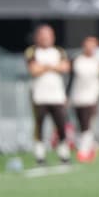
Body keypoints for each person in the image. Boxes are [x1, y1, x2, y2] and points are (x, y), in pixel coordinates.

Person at [25, 24, 71, 164]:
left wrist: (45, 66)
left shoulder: (59, 51)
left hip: (57, 95)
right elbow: (34, 70)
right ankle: (40, 155)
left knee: (61, 125)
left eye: (48, 35)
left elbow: (65, 67)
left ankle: (64, 154)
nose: (46, 38)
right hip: (39, 96)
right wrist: (51, 66)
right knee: (40, 126)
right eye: (43, 35)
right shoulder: (33, 51)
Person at [67, 36, 99, 162]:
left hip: (92, 97)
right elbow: (70, 80)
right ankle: (91, 146)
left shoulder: (98, 63)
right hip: (78, 97)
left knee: (87, 123)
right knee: (81, 124)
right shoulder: (77, 60)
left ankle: (83, 151)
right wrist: (67, 96)